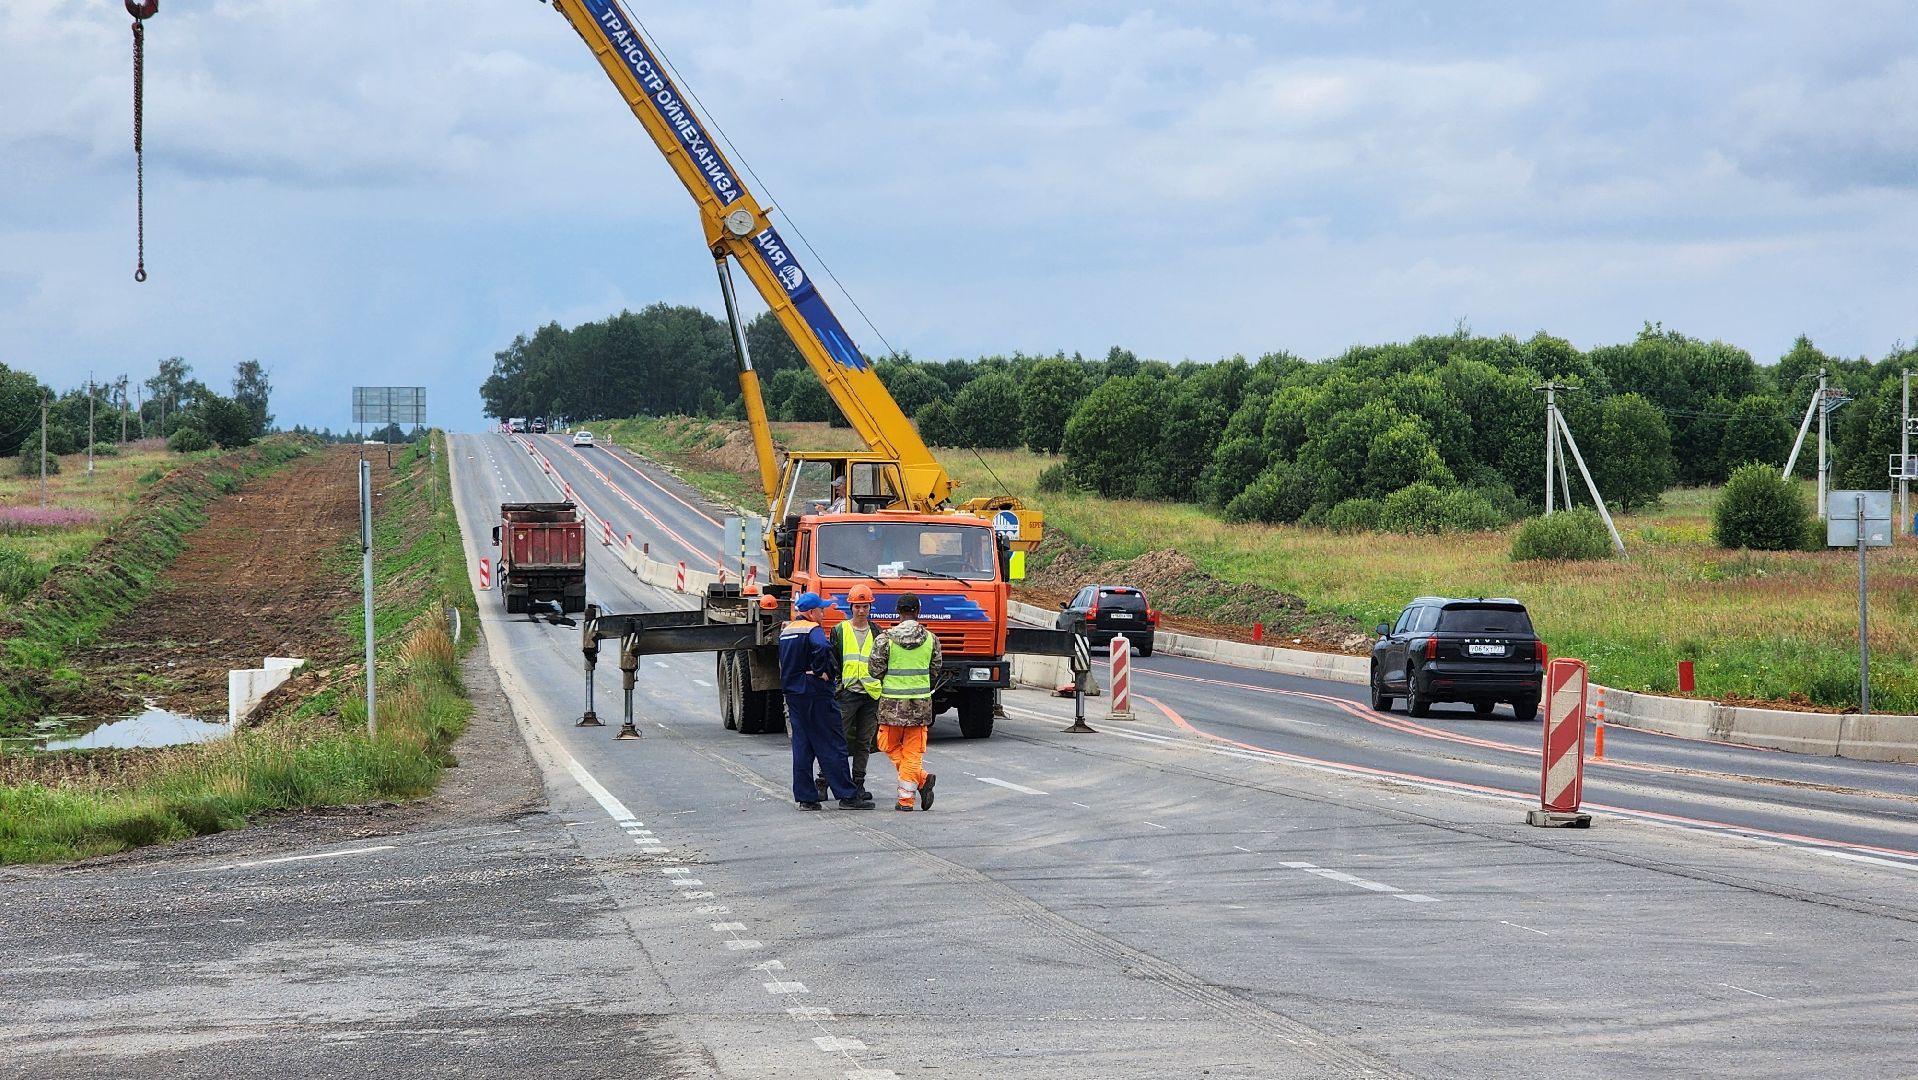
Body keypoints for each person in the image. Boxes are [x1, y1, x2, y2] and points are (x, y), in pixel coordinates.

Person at [779, 592, 872, 811]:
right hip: (815, 693)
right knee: (832, 743)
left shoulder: (787, 631)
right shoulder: (813, 630)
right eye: (821, 609)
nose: (823, 612)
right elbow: (821, 647)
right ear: (811, 613)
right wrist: (821, 670)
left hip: (794, 695)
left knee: (803, 746)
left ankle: (806, 798)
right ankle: (847, 796)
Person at [870, 591, 941, 811]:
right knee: (912, 752)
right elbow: (935, 669)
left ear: (897, 612)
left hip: (891, 706)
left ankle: (906, 800)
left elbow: (874, 670)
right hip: (920, 706)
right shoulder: (931, 639)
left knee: (886, 744)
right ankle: (920, 779)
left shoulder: (885, 639)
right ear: (918, 612)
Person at [816, 584, 882, 801]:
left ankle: (858, 785)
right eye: (857, 607)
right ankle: (823, 782)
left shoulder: (877, 632)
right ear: (851, 607)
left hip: (870, 694)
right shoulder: (840, 631)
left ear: (870, 607)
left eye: (865, 606)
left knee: (864, 742)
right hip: (847, 693)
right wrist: (835, 687)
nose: (861, 611)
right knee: (837, 739)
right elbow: (832, 660)